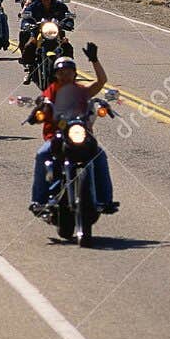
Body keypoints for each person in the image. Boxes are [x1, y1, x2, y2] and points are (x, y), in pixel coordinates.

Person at [29, 45, 115, 218]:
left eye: (68, 72)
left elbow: (101, 82)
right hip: (58, 137)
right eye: (61, 72)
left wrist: (94, 60)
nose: (65, 75)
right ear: (55, 74)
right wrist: (37, 111)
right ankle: (39, 201)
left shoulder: (81, 91)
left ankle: (106, 201)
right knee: (42, 154)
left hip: (81, 136)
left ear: (74, 74)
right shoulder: (50, 92)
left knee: (100, 155)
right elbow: (41, 103)